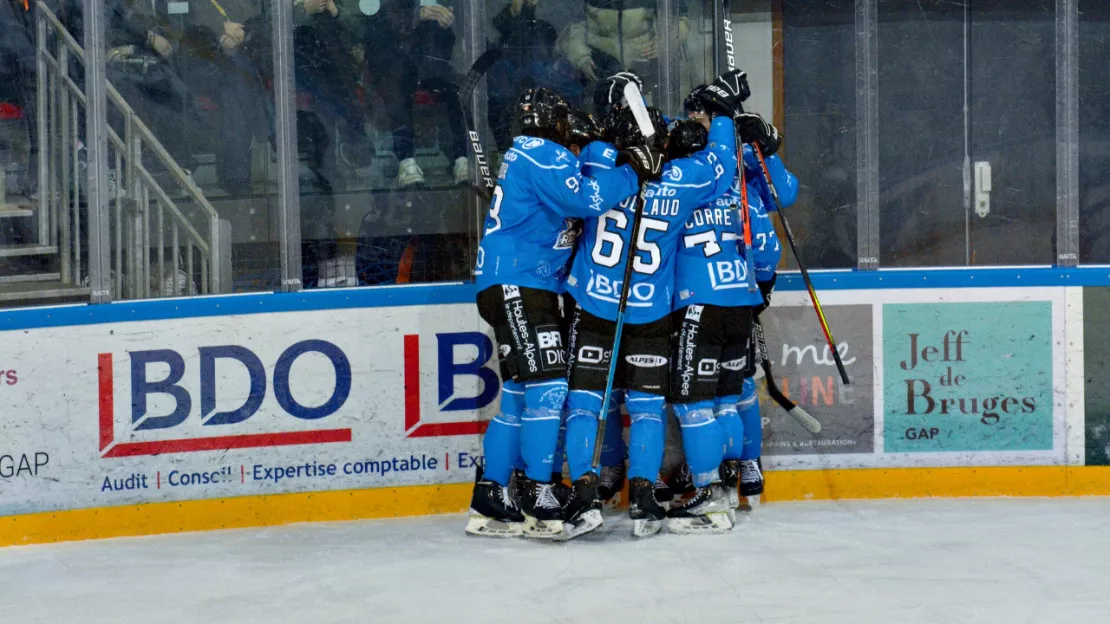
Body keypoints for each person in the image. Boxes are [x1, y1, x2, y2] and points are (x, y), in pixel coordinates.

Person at [465, 86, 655, 539]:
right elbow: (586, 200)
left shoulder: (525, 153)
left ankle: (491, 498)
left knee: (517, 395)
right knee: (549, 388)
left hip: (515, 282)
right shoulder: (540, 151)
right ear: (555, 121)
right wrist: (631, 172)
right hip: (519, 284)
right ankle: (538, 493)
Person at [560, 82, 740, 539]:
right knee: (646, 409)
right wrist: (722, 116)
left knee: (585, 405)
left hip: (596, 306)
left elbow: (587, 155)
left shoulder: (600, 164)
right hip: (650, 312)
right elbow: (720, 165)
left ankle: (583, 490)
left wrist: (611, 111)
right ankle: (643, 494)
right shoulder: (681, 180)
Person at [665, 77, 782, 532]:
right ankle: (730, 483)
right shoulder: (733, 184)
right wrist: (727, 115)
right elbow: (765, 244)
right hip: (739, 300)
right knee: (727, 401)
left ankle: (709, 495)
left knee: (694, 405)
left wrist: (718, 114)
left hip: (700, 305)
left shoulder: (684, 181)